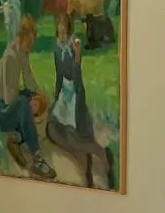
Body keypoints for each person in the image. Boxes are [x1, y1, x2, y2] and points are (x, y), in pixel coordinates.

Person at [45, 13, 116, 189]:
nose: (62, 36)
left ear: (69, 33)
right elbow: (59, 75)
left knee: (73, 133)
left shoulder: (73, 47)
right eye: (59, 33)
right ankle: (85, 156)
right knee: (51, 129)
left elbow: (76, 78)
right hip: (63, 94)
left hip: (75, 95)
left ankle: (100, 155)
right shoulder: (57, 49)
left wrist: (76, 60)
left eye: (64, 33)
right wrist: (57, 97)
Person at [0, 12, 56, 180]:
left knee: (29, 97)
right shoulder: (10, 57)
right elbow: (9, 97)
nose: (30, 47)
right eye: (29, 43)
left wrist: (39, 93)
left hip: (12, 103)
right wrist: (28, 102)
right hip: (3, 111)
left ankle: (17, 138)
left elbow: (28, 79)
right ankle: (37, 158)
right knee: (23, 102)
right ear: (22, 37)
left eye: (32, 43)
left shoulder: (22, 52)